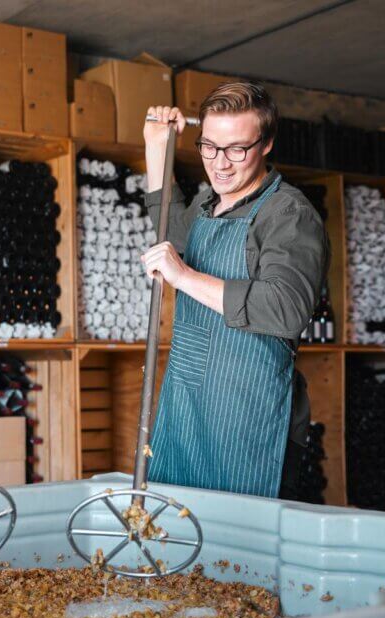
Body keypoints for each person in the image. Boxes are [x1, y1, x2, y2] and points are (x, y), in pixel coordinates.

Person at [141, 82, 329, 499]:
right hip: (188, 411)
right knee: (178, 540)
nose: (220, 164)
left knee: (245, 557)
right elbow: (171, 243)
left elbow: (286, 309)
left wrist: (185, 277)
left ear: (266, 144)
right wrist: (157, 149)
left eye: (236, 150)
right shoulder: (209, 202)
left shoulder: (289, 215)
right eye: (209, 147)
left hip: (249, 419)